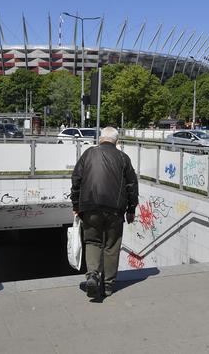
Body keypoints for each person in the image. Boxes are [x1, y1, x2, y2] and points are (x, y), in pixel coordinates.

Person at [70, 126, 138, 298]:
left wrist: (76, 205)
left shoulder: (88, 153)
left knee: (92, 241)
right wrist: (131, 209)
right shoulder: (123, 157)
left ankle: (92, 274)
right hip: (115, 209)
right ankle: (108, 285)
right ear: (117, 141)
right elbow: (131, 185)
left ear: (100, 139)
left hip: (90, 206)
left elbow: (76, 179)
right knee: (111, 245)